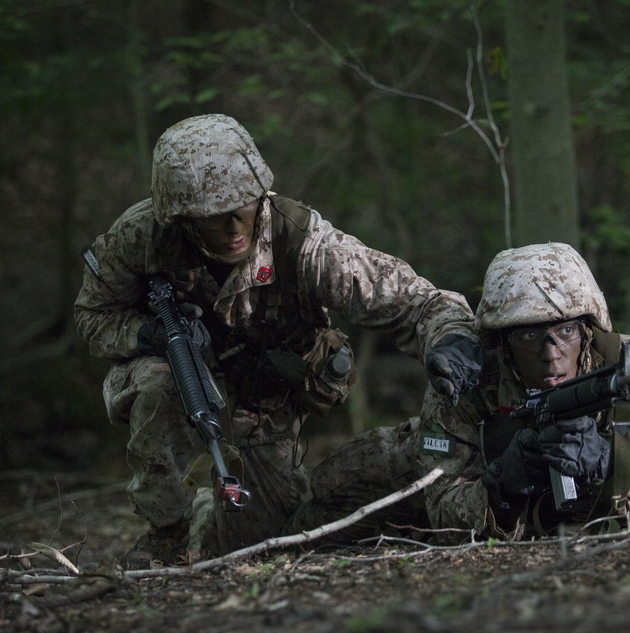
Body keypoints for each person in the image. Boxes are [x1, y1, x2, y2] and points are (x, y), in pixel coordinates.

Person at [74, 114, 481, 567]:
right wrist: (144, 334)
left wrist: (451, 339)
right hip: (174, 369)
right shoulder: (140, 236)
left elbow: (415, 301)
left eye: (243, 207)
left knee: (260, 547)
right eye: (214, 216)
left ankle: (213, 513)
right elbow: (93, 315)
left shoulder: (304, 242)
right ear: (183, 217)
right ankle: (165, 533)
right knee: (157, 382)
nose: (233, 226)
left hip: (262, 397)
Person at [286, 242, 630, 543]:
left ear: (587, 329)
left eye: (565, 331)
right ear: (502, 341)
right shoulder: (468, 378)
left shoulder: (620, 367)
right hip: (414, 474)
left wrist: (605, 466)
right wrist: (502, 487)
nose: (551, 354)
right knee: (321, 508)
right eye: (530, 335)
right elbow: (440, 503)